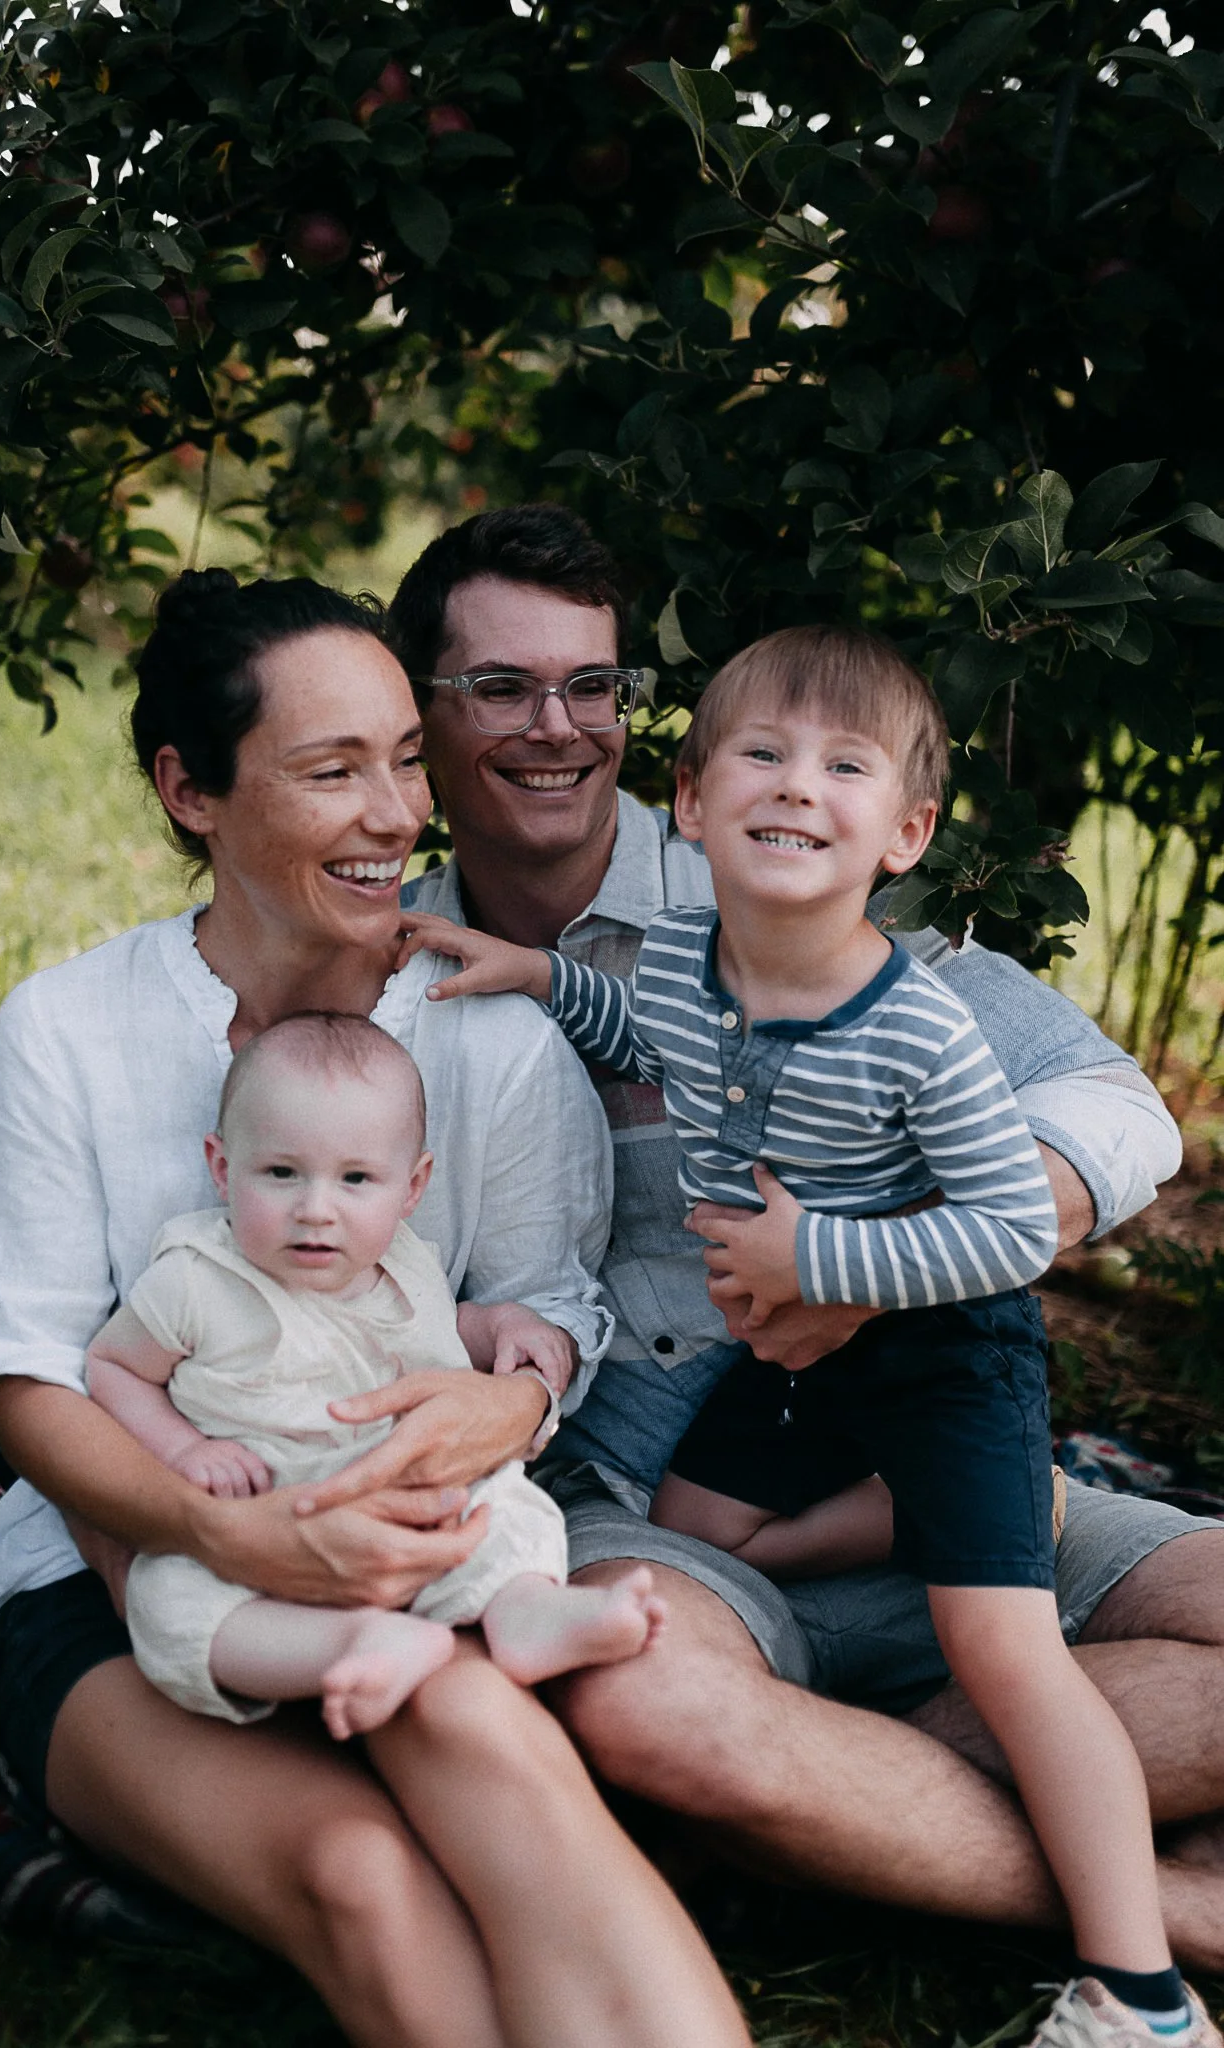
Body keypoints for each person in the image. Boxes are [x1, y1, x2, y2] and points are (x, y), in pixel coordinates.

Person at [387, 505, 1224, 1976]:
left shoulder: (798, 870)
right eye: (497, 688)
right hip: (648, 1503)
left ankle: (804, 1821)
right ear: (423, 715)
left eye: (589, 685)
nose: (552, 727)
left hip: (916, 1464)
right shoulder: (398, 967)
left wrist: (851, 1262)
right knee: (649, 1713)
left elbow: (1114, 1113)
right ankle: (1153, 1910)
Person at [0, 568, 752, 2048]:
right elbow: (27, 1377)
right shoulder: (70, 1029)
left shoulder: (487, 1036)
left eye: (398, 756)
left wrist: (506, 1398)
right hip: (124, 1577)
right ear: (189, 790)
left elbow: (541, 1301)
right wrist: (227, 1534)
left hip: (402, 1555)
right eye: (331, 771)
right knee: (362, 1876)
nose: (396, 814)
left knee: (489, 1746)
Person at [88, 1010, 664, 1740]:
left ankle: (524, 1614)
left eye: (356, 1178)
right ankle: (348, 1647)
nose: (315, 1210)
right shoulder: (196, 1280)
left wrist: (501, 1326)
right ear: (222, 1167)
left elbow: (446, 1326)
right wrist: (184, 1451)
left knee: (507, 1508)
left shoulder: (406, 1265)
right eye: (281, 1174)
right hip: (260, 1529)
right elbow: (113, 1369)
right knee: (165, 1597)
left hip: (411, 1514)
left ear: (413, 1185)